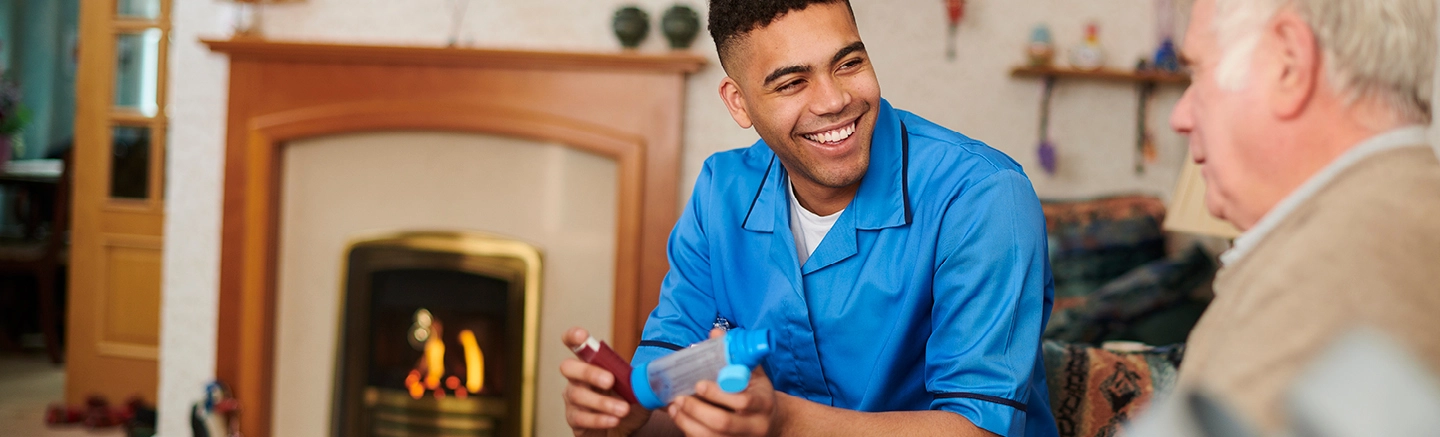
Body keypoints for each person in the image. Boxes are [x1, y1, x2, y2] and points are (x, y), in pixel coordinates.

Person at [560, 1, 1059, 436]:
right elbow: (672, 402)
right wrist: (626, 417)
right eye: (792, 82)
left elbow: (981, 430)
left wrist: (782, 421)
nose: (834, 100)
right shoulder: (720, 193)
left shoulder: (983, 196)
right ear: (739, 103)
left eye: (848, 63)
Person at [1166, 0, 1440, 432]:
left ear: (1289, 64)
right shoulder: (1390, 215)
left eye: (1197, 72)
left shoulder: (1340, 267)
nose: (1179, 116)